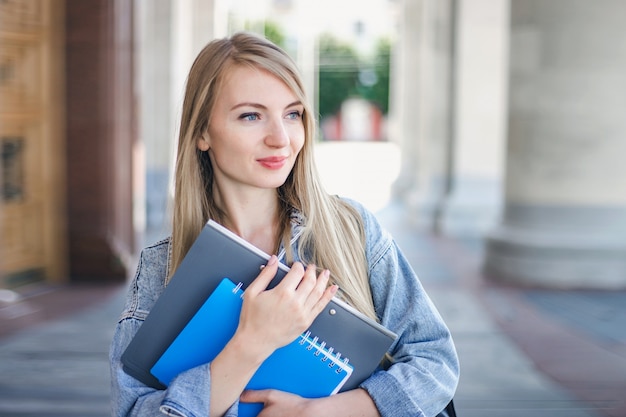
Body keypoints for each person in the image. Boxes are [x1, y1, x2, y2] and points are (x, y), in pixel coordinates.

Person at [110, 31, 459, 417]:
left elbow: (435, 361)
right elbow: (136, 410)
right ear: (203, 133)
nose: (281, 139)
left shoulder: (352, 230)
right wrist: (252, 342)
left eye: (292, 114)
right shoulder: (161, 268)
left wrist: (315, 412)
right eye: (251, 116)